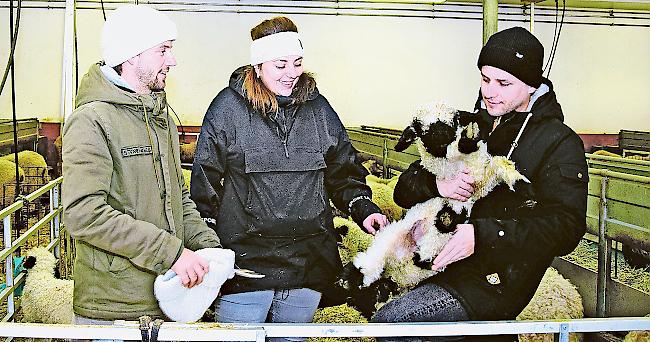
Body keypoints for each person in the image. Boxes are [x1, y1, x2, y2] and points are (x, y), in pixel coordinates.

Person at [371, 27, 588, 341]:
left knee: (391, 323)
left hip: (493, 280)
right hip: (442, 263)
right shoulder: (471, 124)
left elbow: (566, 227)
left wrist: (483, 235)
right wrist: (436, 184)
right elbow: (402, 191)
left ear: (531, 85)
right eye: (485, 79)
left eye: (503, 83)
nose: (490, 92)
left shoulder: (558, 143)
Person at [190, 16, 388, 333]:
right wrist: (208, 247)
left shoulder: (318, 109)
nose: (291, 74)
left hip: (307, 261)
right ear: (257, 65)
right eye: (280, 65)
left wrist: (364, 208)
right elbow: (205, 182)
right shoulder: (227, 110)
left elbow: (343, 171)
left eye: (297, 63)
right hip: (246, 262)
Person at [62, 5, 222, 326]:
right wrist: (172, 253)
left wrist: (208, 249)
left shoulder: (157, 117)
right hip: (114, 308)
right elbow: (83, 213)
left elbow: (178, 197)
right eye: (163, 50)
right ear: (133, 55)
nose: (172, 60)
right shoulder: (92, 120)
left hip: (165, 299)